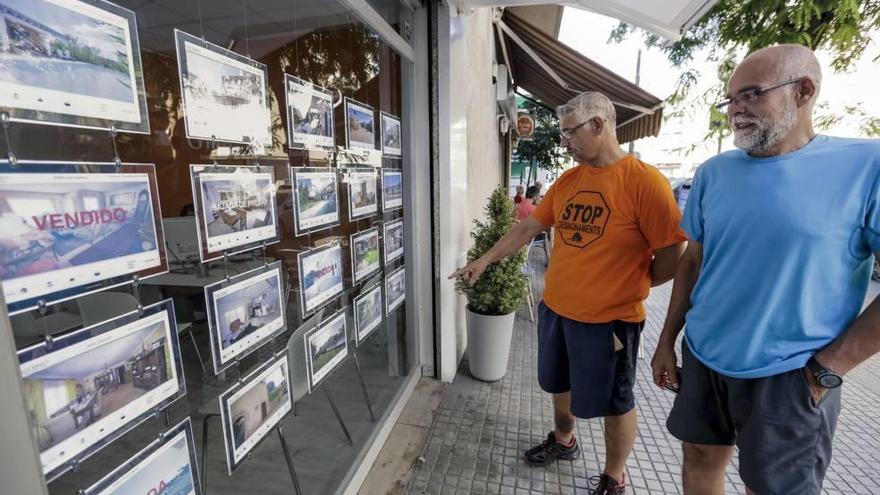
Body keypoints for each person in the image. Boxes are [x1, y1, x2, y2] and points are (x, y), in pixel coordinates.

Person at [652, 44, 880, 495]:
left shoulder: (865, 165)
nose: (735, 109)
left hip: (791, 373)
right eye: (731, 98)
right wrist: (666, 341)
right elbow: (693, 260)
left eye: (751, 94)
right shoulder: (714, 172)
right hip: (704, 354)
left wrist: (826, 370)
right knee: (698, 457)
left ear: (804, 91)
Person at [450, 91, 687, 494]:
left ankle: (615, 475)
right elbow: (527, 229)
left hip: (612, 321)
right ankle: (564, 440)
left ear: (598, 125)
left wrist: (635, 282)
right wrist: (485, 260)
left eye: (569, 133)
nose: (565, 142)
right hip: (557, 311)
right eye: (562, 135)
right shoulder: (569, 181)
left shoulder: (645, 183)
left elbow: (672, 254)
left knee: (616, 401)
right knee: (558, 384)